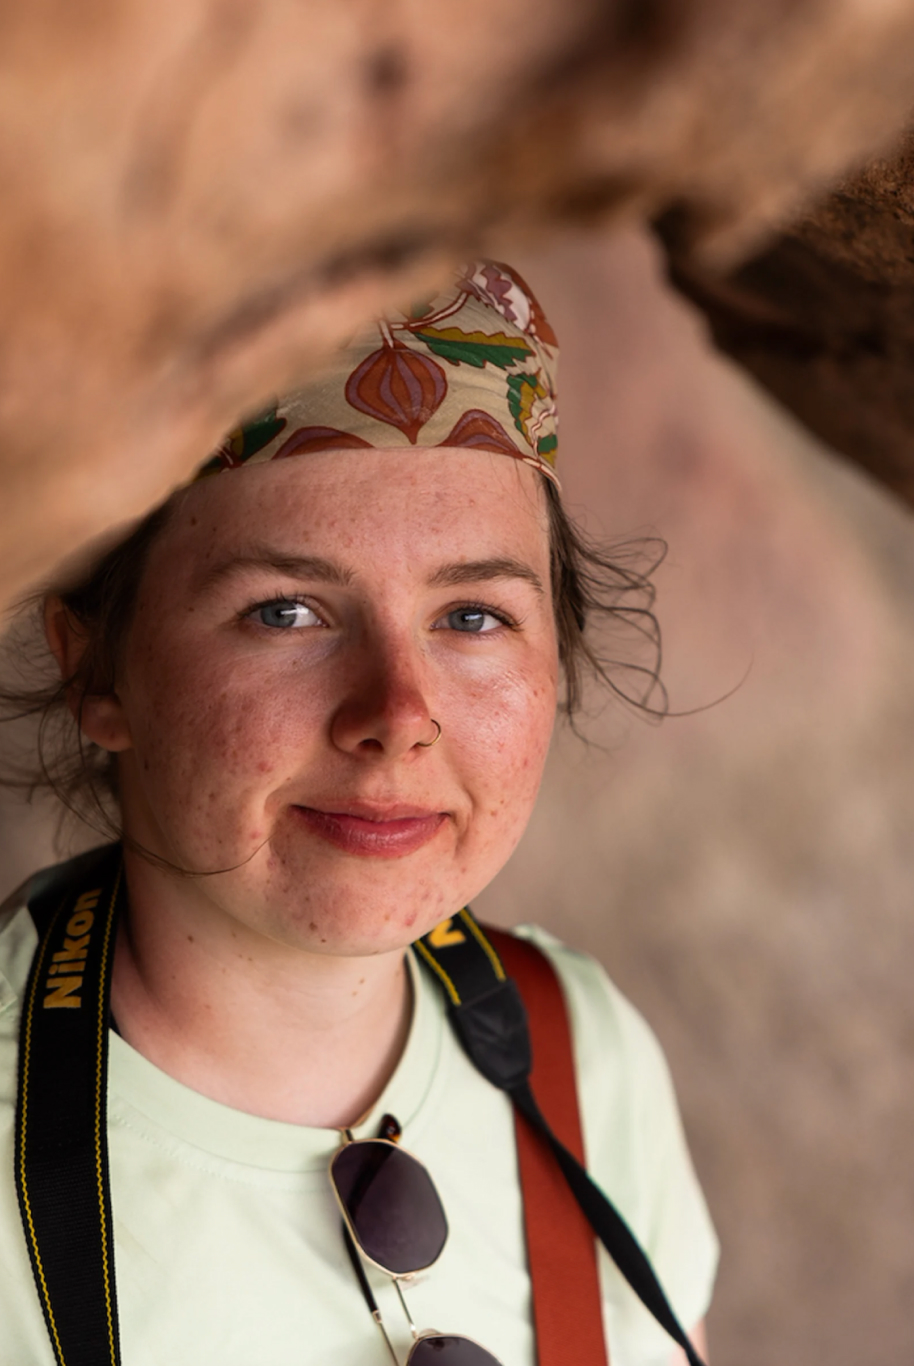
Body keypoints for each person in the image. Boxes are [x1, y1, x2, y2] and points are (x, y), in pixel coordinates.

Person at [0, 261, 717, 1365]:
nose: (397, 714)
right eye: (285, 611)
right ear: (95, 661)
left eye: (472, 614)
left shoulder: (580, 1052)